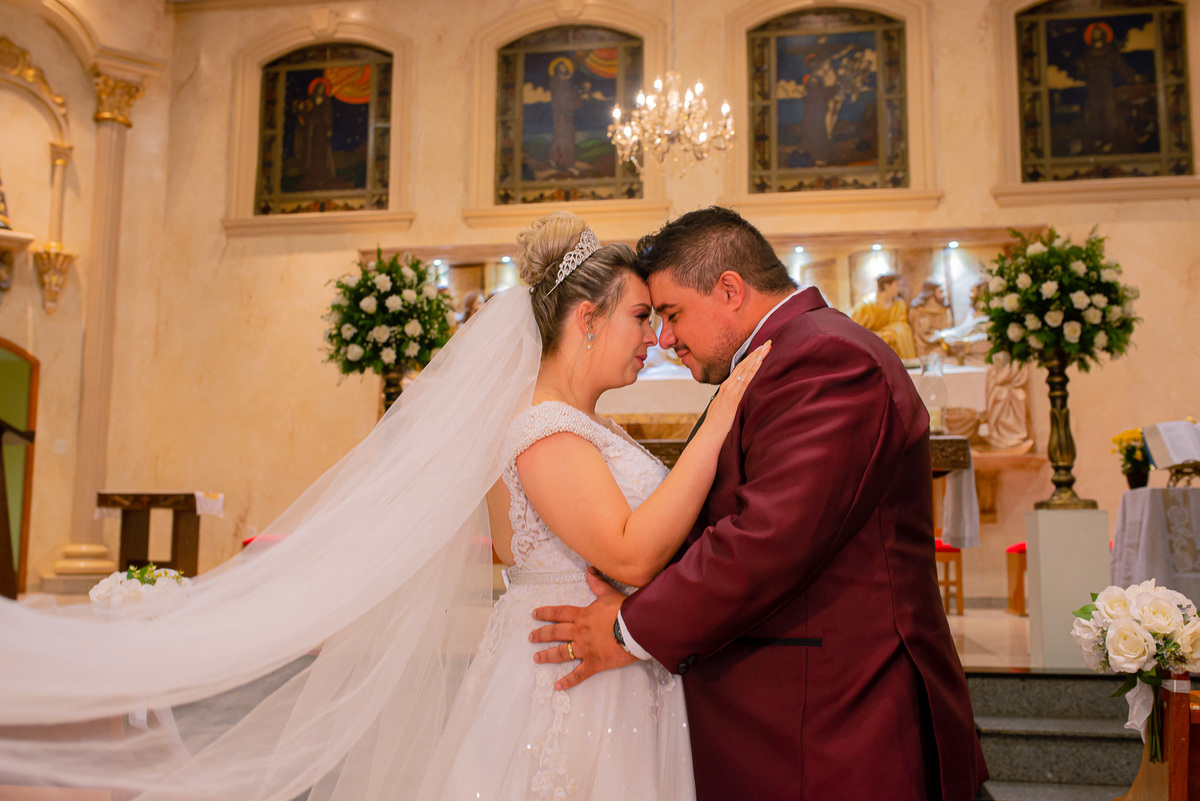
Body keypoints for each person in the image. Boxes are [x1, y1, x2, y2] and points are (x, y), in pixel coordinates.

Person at [0, 212, 764, 801]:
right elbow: (628, 551)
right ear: (588, 319)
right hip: (572, 677)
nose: (655, 339)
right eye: (640, 316)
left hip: (578, 653)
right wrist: (724, 411)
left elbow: (509, 545)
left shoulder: (577, 421)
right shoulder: (545, 427)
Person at [530, 207, 988, 801]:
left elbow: (768, 537)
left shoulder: (827, 359)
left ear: (729, 290)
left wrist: (626, 628)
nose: (664, 339)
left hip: (837, 725)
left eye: (669, 314)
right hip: (787, 719)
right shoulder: (784, 357)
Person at [851, 271, 918, 359]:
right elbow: (854, 331)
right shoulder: (865, 306)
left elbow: (903, 327)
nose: (898, 289)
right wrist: (878, 337)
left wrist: (891, 335)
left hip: (894, 349)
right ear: (887, 286)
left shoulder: (899, 304)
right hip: (872, 349)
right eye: (896, 285)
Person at [910, 279, 951, 356]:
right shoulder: (917, 310)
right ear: (931, 293)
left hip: (938, 345)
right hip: (921, 346)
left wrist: (937, 335)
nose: (942, 295)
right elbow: (917, 331)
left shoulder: (944, 310)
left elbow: (946, 329)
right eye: (940, 292)